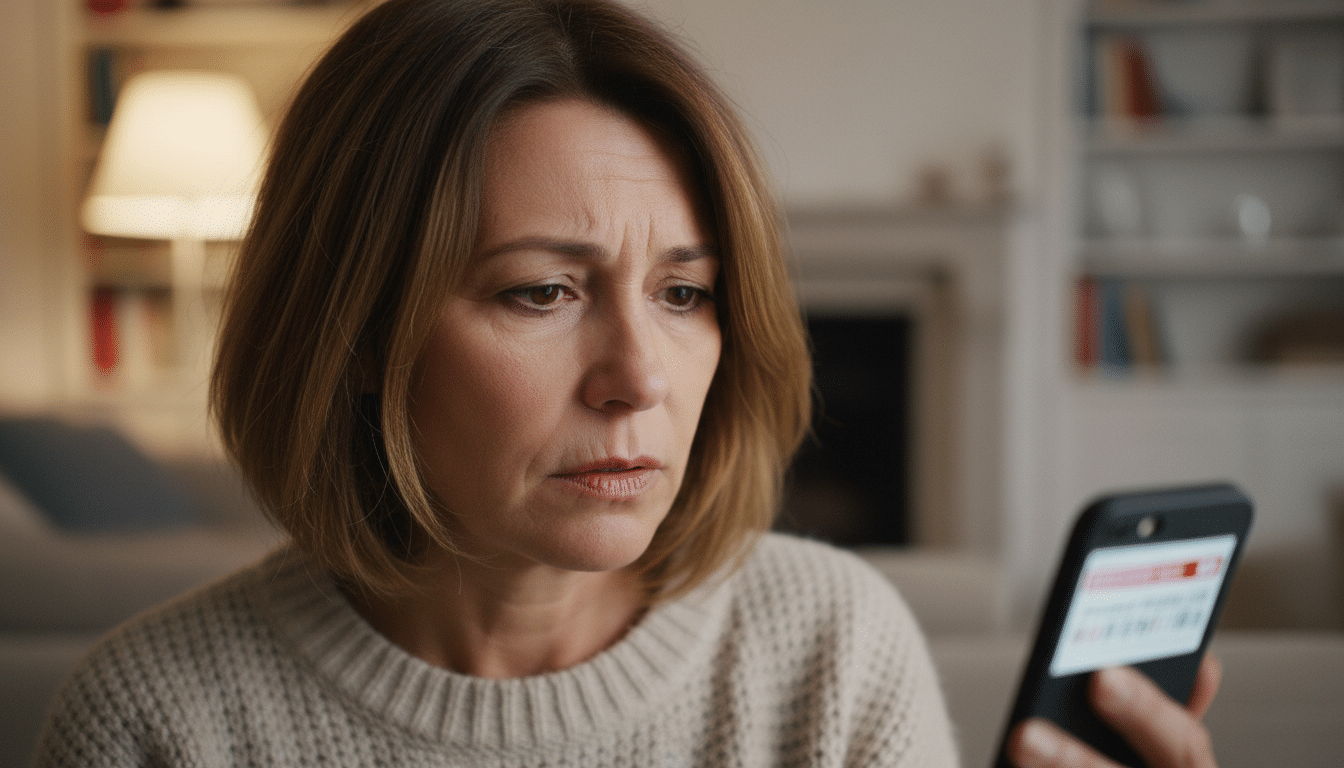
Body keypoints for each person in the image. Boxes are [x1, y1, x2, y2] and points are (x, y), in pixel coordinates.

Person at [35, 1, 1223, 766]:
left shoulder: (829, 650)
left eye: (686, 293)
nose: (640, 377)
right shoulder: (156, 721)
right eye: (541, 294)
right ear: (352, 335)